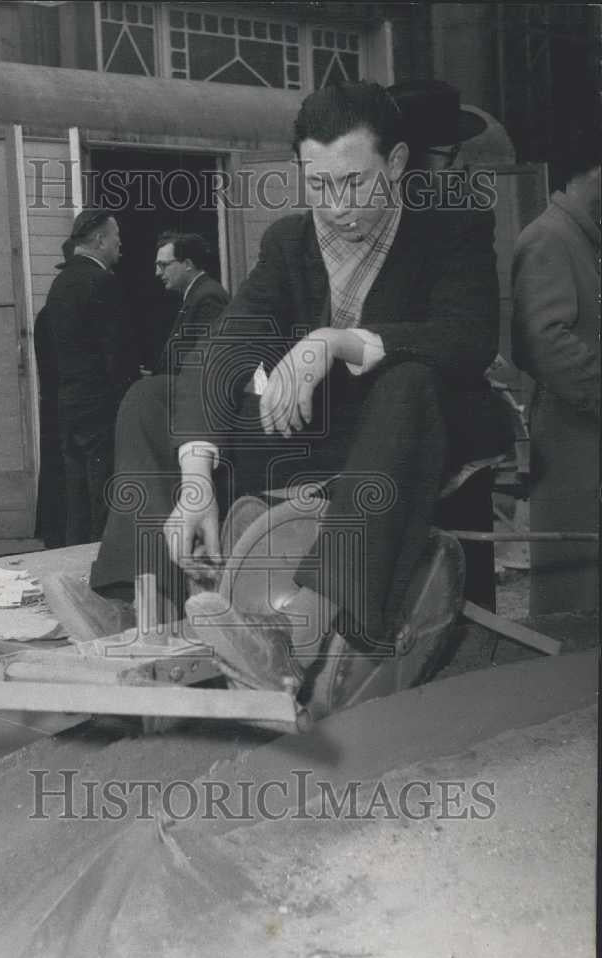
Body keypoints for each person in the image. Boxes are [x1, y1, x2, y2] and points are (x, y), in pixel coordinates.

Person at [87, 80, 512, 684]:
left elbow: (469, 338)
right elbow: (226, 345)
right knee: (149, 399)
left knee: (408, 379)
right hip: (328, 435)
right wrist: (194, 480)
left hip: (413, 433)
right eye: (318, 184)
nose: (336, 205)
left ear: (395, 163)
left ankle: (304, 630)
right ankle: (148, 611)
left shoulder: (453, 224)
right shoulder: (289, 241)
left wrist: (330, 341)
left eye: (354, 182)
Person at [388, 79, 500, 611]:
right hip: (398, 435)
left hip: (452, 436)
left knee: (462, 592)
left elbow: (470, 339)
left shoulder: (460, 214)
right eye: (448, 153)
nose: (456, 165)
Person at [511, 117, 600, 615]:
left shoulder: (584, 239)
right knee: (575, 596)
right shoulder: (548, 238)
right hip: (573, 447)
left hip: (587, 441)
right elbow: (542, 341)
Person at [45, 209, 129, 545]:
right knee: (103, 493)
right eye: (117, 239)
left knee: (77, 495)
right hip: (100, 406)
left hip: (68, 403)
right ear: (99, 241)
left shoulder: (58, 284)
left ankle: (75, 564)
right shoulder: (102, 282)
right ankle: (99, 565)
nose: (120, 245)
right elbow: (116, 353)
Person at [34, 238, 73, 549]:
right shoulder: (55, 316)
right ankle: (59, 535)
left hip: (53, 402)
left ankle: (55, 533)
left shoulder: (46, 314)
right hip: (63, 402)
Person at [151, 232, 229, 377]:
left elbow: (207, 361)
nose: (157, 272)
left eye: (163, 265)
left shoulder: (208, 297)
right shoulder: (198, 293)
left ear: (187, 264)